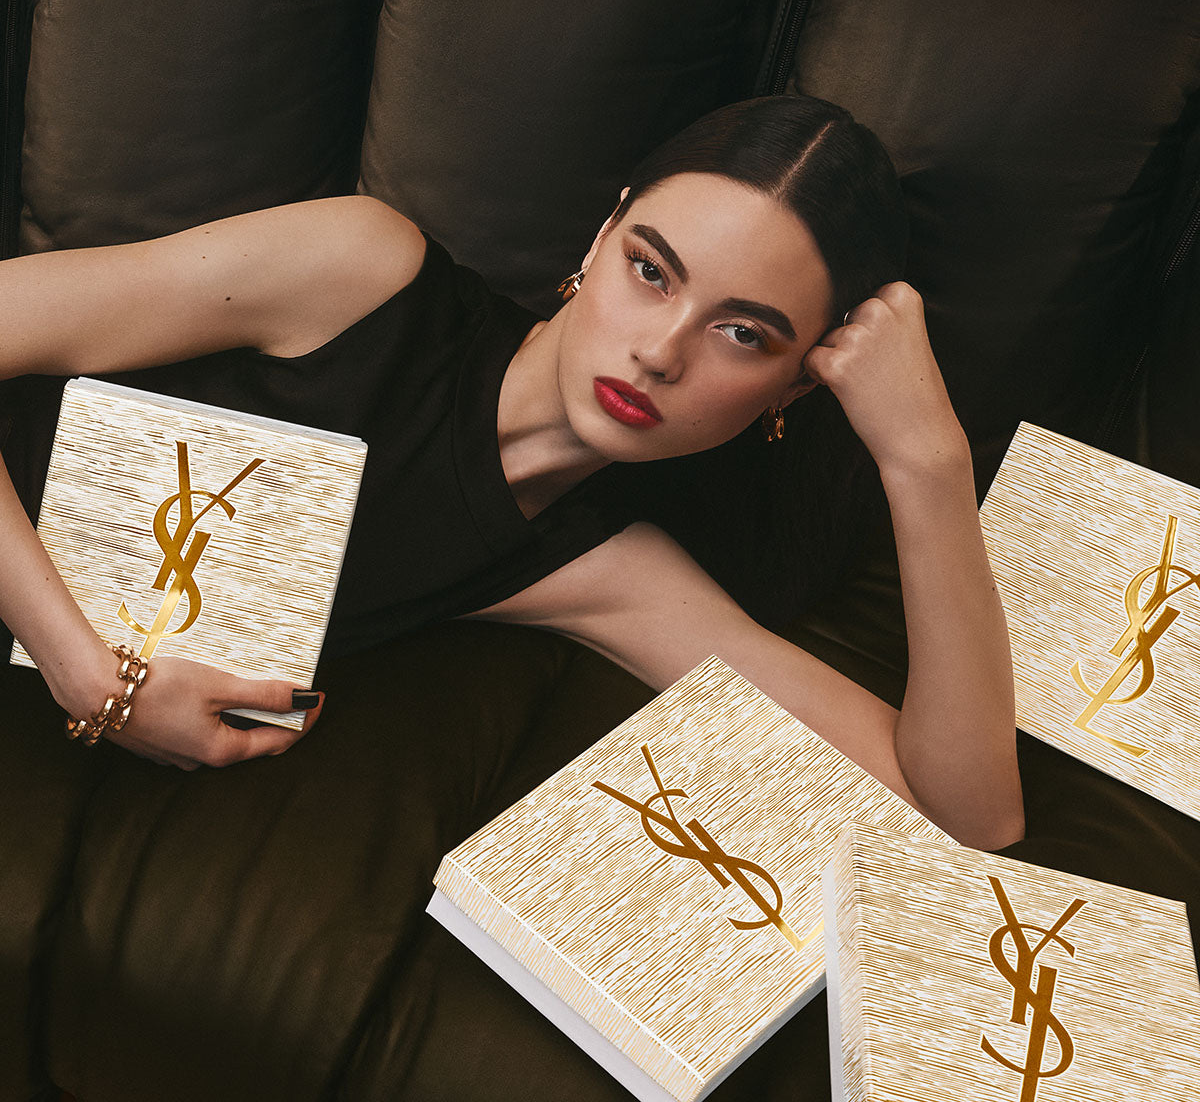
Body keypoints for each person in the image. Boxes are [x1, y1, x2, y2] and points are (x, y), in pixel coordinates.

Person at [0, 95, 1024, 850]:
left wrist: (926, 460)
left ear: (792, 391)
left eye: (743, 333)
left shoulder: (605, 570)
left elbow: (966, 813)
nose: (659, 351)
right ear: (601, 237)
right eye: (651, 270)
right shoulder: (360, 271)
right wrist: (93, 677)